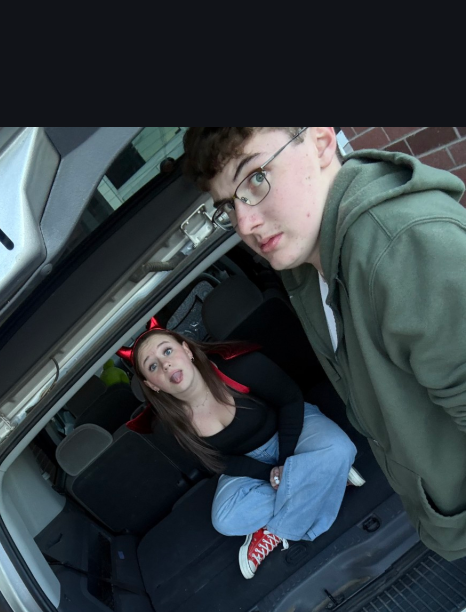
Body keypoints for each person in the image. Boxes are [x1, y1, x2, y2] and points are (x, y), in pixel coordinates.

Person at [182, 127, 466, 561]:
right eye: (227, 206)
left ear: (319, 141)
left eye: (256, 177)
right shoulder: (307, 267)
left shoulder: (402, 248)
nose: (244, 223)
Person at [127, 324, 357, 578]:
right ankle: (324, 477)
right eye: (152, 366)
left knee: (340, 449)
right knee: (225, 520)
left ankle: (276, 531)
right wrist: (271, 474)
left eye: (167, 351)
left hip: (292, 431)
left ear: (187, 350)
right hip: (248, 464)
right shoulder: (167, 427)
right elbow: (216, 462)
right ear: (153, 385)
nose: (165, 364)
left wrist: (285, 462)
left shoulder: (239, 367)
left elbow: (290, 400)